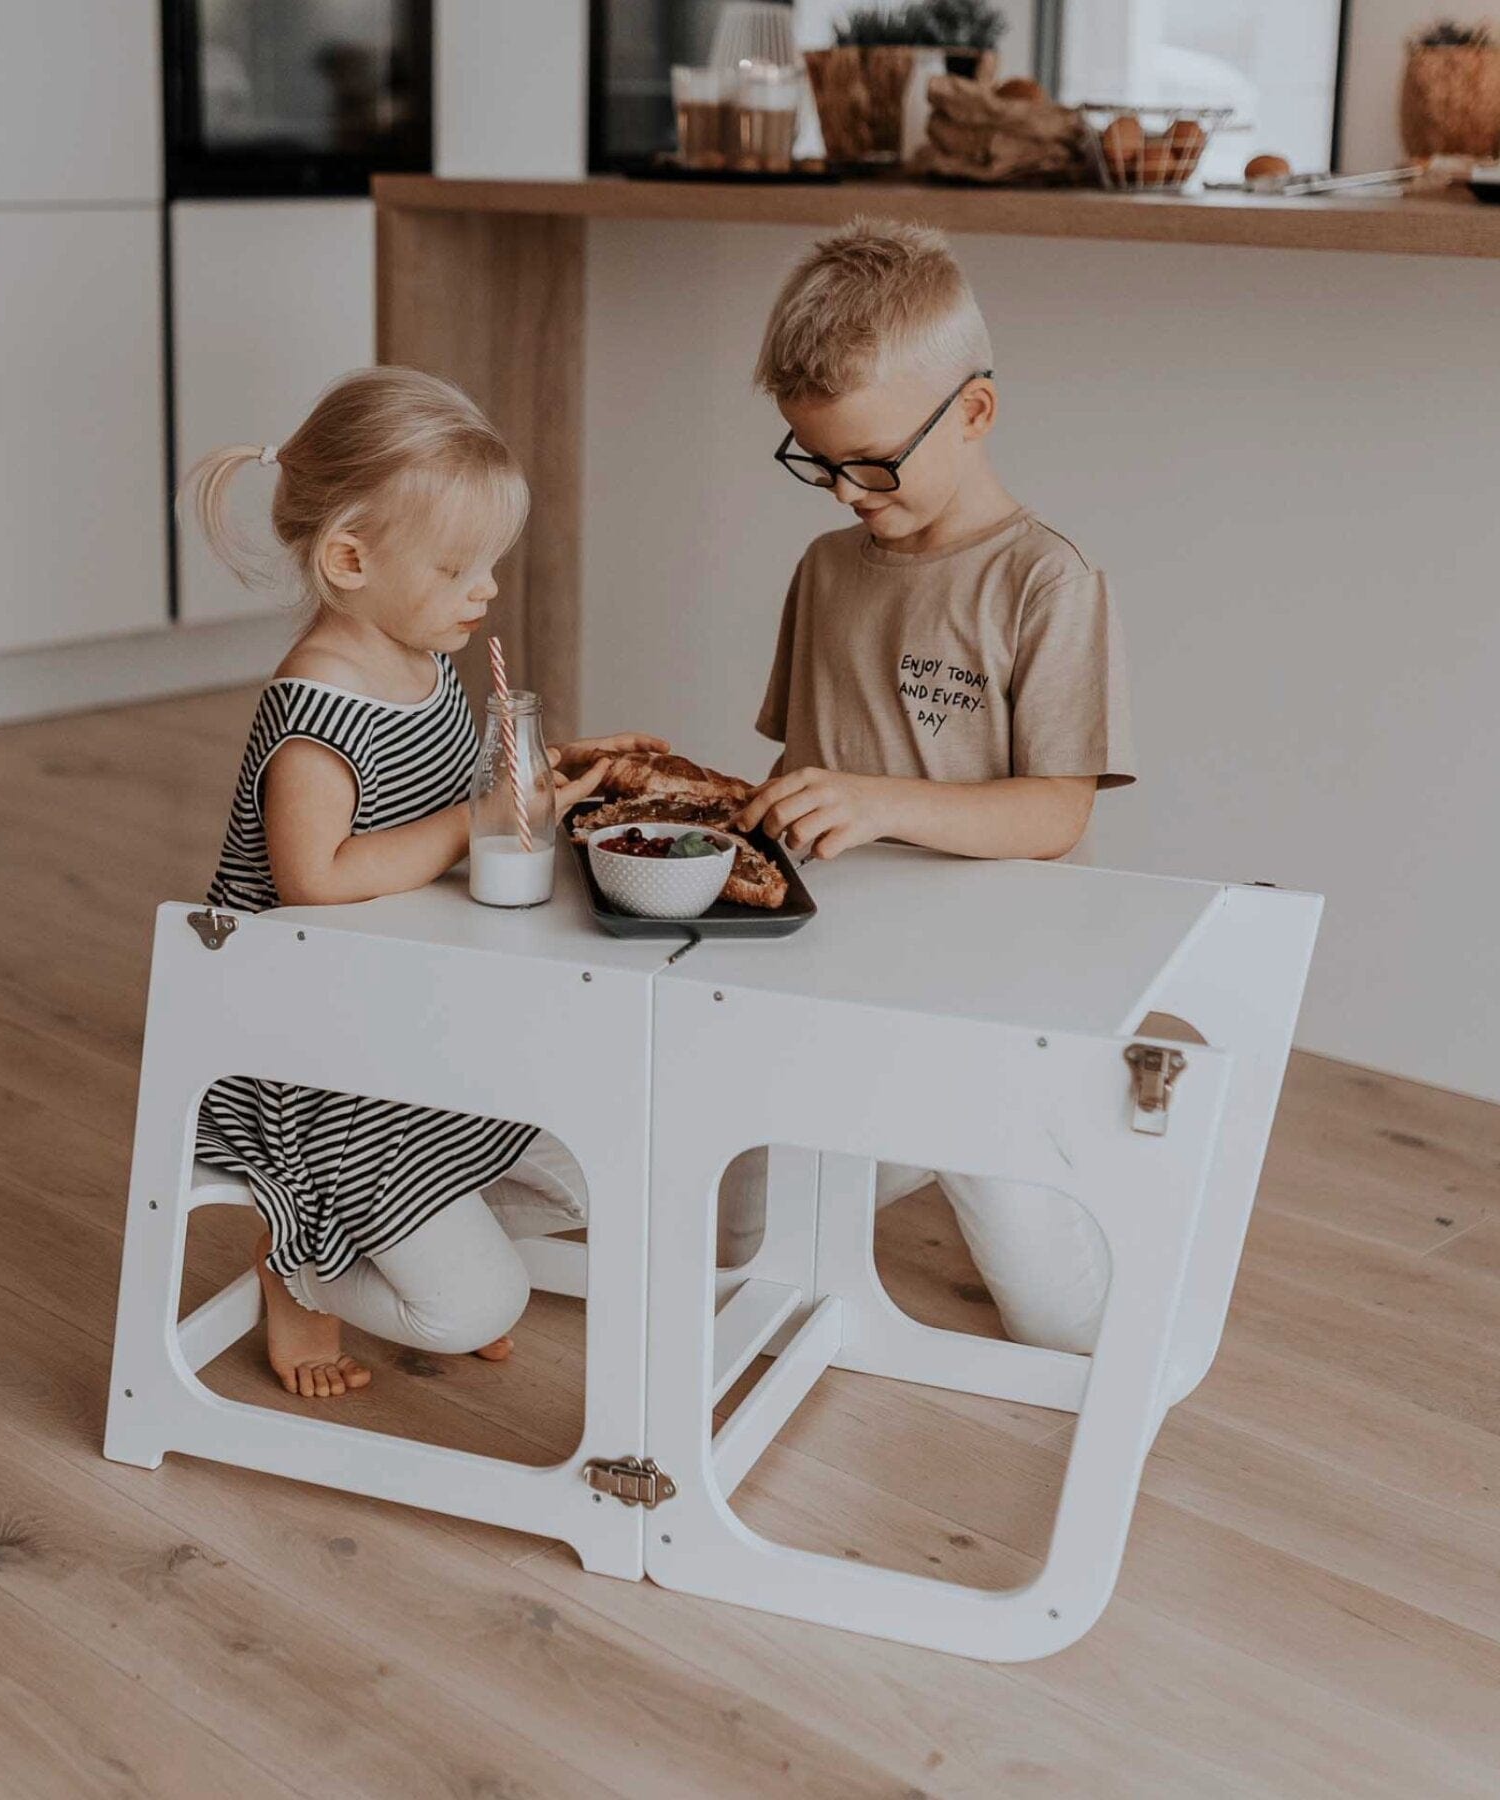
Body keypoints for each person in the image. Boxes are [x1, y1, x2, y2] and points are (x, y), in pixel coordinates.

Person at [185, 367, 665, 1397]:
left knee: (605, 1159)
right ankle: (301, 1267)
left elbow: (455, 798)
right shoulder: (315, 709)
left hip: (420, 1026)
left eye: (490, 563)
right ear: (350, 559)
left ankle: (416, 1230)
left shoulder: (425, 656)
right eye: (459, 568)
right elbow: (314, 880)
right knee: (471, 1310)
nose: (487, 592)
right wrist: (475, 822)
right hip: (319, 1068)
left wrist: (545, 774)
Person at [728, 219, 1137, 1354]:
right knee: (738, 1244)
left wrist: (877, 802)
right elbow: (799, 760)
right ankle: (888, 1136)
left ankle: (1074, 1153)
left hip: (991, 992)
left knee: (1066, 1323)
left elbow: (1057, 812)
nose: (846, 492)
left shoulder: (1045, 580)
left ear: (974, 412)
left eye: (871, 461)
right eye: (818, 462)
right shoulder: (825, 570)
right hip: (837, 978)